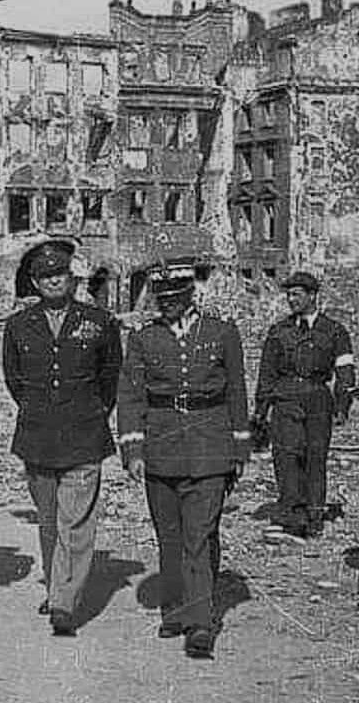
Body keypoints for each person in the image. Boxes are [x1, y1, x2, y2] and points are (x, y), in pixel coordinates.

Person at [117, 256, 250, 659]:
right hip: (161, 447)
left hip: (210, 445)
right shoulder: (143, 338)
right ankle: (175, 609)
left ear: (191, 292)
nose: (168, 303)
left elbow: (237, 391)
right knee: (169, 536)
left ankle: (199, 623)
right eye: (162, 297)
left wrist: (239, 447)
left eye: (176, 295)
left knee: (199, 536)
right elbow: (131, 394)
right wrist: (133, 450)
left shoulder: (221, 332)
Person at [2, 242, 122, 636]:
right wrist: (42, 411)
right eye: (45, 277)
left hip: (84, 434)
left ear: (71, 279)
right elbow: (15, 380)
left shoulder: (100, 322)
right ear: (35, 283)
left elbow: (110, 380)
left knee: (77, 520)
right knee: (50, 519)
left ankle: (65, 603)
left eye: (60, 275)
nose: (54, 281)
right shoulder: (19, 325)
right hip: (37, 435)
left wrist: (87, 412)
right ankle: (57, 585)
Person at [253, 271, 355, 538]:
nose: (291, 299)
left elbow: (345, 371)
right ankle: (291, 515)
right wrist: (260, 411)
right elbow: (267, 373)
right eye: (288, 294)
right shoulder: (279, 331)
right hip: (285, 399)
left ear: (312, 296)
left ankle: (314, 516)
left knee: (315, 457)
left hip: (318, 400)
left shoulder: (335, 331)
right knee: (286, 456)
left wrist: (342, 406)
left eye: (296, 294)